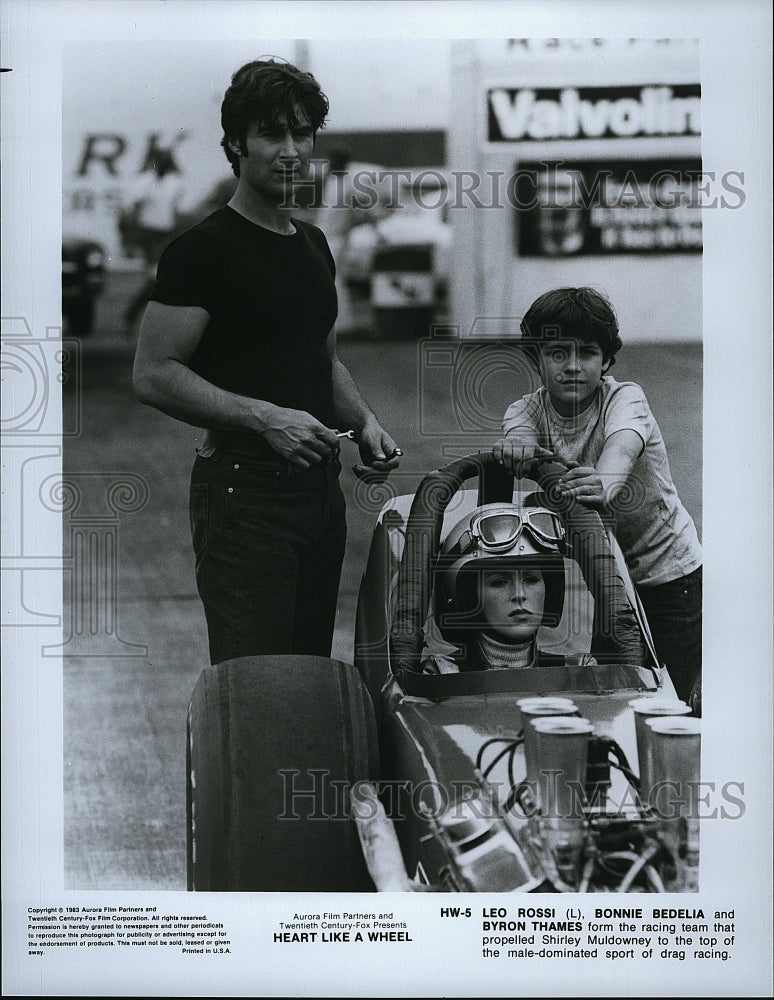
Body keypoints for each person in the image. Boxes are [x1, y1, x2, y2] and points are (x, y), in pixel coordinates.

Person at [132, 58, 401, 665]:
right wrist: (263, 418)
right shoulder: (203, 251)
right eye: (271, 134)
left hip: (318, 491)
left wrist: (366, 424)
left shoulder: (313, 244)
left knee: (306, 675)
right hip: (242, 495)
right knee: (256, 688)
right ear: (234, 143)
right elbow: (153, 372)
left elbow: (321, 359)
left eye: (301, 134)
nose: (290, 151)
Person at [492, 287, 702, 709]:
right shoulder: (526, 411)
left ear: (606, 361)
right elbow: (519, 434)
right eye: (557, 353)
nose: (572, 366)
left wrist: (604, 482)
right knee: (613, 688)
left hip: (668, 574)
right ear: (537, 359)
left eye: (587, 353)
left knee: (669, 697)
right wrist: (516, 446)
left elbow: (622, 448)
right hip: (606, 575)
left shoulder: (625, 398)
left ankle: (677, 766)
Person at [423, 503, 567, 673]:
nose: (519, 595)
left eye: (530, 579)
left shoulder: (580, 674)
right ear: (469, 597)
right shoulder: (439, 677)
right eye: (499, 582)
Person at [121, 150, 186, 335]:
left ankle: (136, 317)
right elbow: (134, 207)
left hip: (166, 234)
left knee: (162, 277)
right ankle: (134, 316)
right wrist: (133, 239)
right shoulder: (146, 180)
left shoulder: (173, 181)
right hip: (149, 234)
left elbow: (173, 206)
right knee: (156, 277)